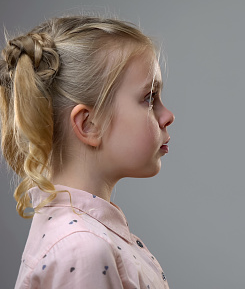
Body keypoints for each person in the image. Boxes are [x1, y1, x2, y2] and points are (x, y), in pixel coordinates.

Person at [0, 15, 175, 288]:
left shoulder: (90, 236)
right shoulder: (83, 250)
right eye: (149, 98)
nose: (168, 116)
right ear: (89, 125)